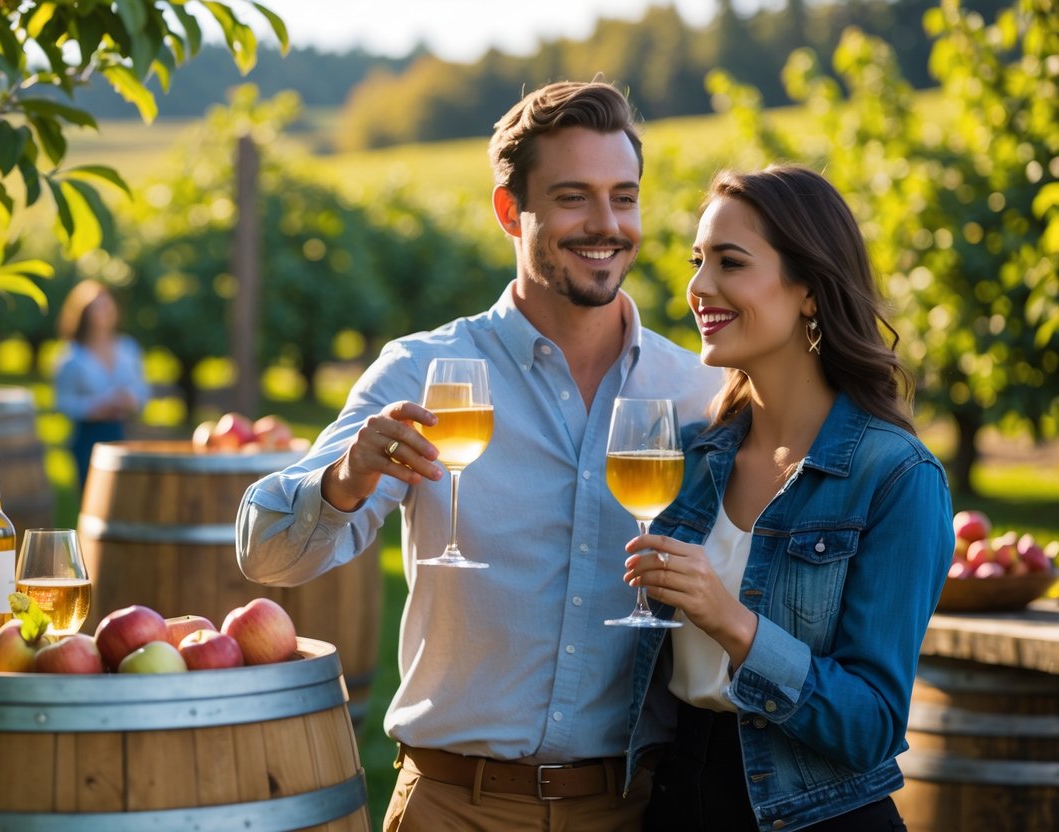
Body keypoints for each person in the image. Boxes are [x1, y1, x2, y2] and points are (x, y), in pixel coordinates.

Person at [236, 79, 722, 830]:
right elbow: (266, 554)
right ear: (509, 211)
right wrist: (344, 478)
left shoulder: (695, 391)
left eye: (622, 197)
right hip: (452, 807)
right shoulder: (419, 373)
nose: (605, 224)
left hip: (636, 808)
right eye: (571, 198)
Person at [620, 165, 953, 832]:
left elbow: (873, 725)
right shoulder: (691, 458)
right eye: (697, 261)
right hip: (676, 799)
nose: (697, 287)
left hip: (814, 818)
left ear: (808, 291)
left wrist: (732, 623)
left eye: (729, 262)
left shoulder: (894, 477)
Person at [53, 279, 149, 491]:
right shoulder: (71, 356)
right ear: (84, 313)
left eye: (108, 305)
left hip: (124, 432)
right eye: (98, 306)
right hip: (89, 437)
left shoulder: (128, 348)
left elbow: (143, 392)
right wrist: (96, 407)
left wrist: (131, 399)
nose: (105, 311)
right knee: (93, 497)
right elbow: (63, 403)